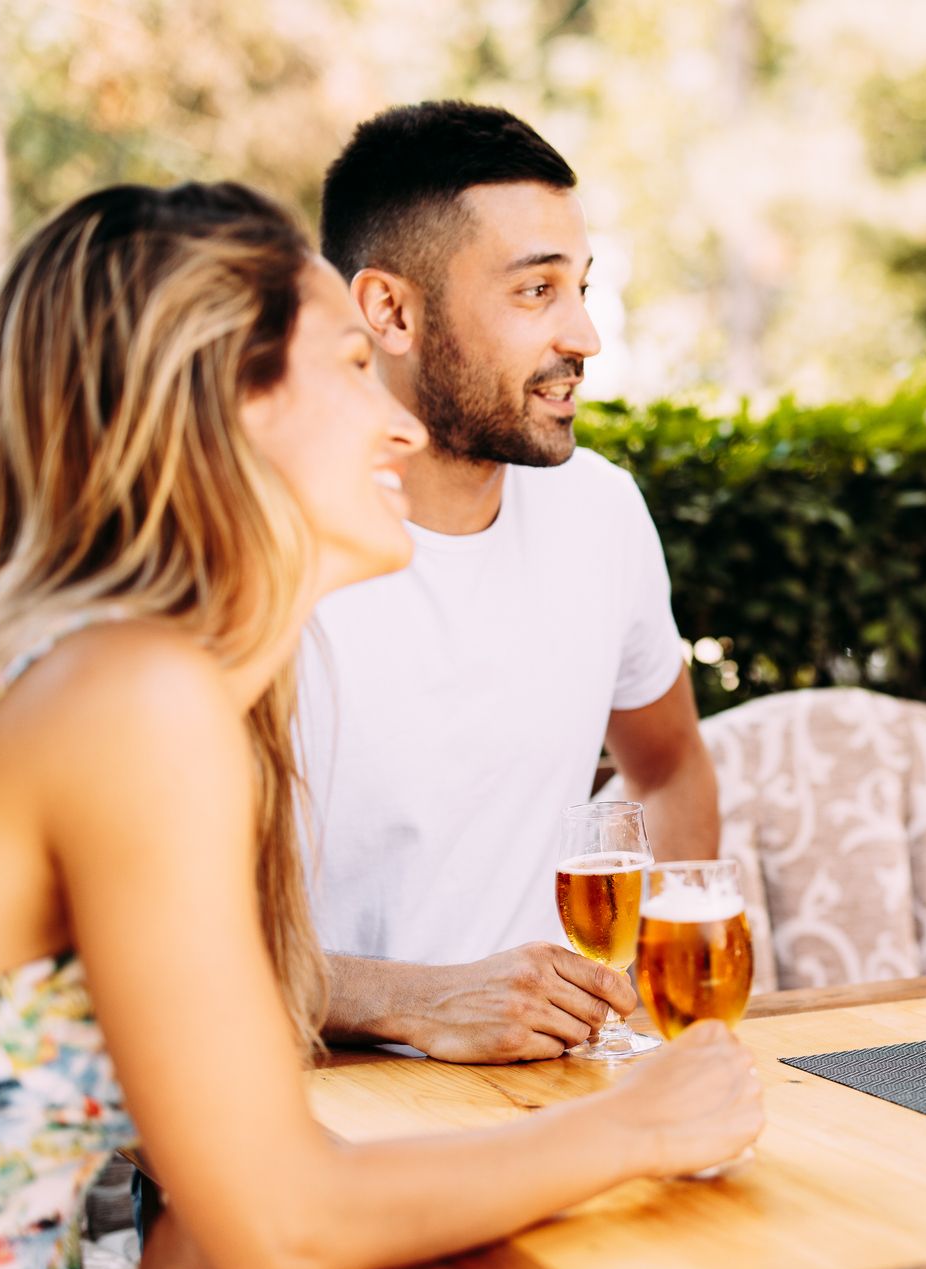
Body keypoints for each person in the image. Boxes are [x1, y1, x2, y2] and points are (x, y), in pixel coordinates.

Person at [0, 182, 763, 1269]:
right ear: (226, 404)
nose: (398, 428)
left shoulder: (132, 673)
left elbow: (244, 1146)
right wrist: (635, 1126)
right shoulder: (134, 699)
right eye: (352, 369)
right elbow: (283, 1223)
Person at [303, 101, 719, 1065]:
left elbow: (669, 768)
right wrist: (415, 1001)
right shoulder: (263, 548)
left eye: (582, 286)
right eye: (536, 291)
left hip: (557, 1096)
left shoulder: (602, 512)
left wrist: (655, 1006)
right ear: (390, 311)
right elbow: (164, 950)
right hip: (318, 1109)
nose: (585, 336)